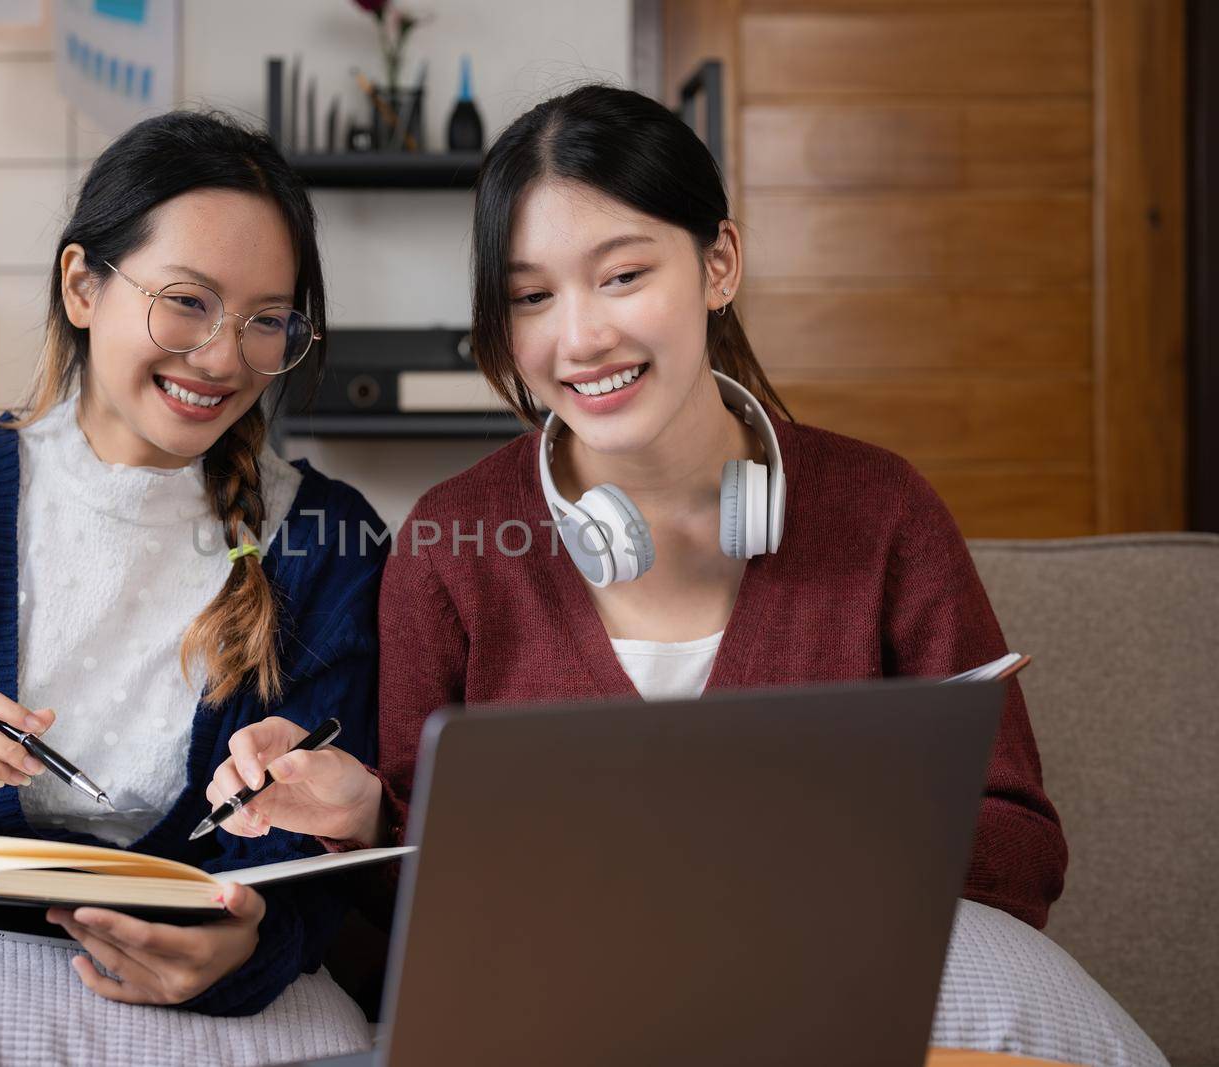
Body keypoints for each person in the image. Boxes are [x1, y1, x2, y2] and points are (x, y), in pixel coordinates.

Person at [203, 84, 1067, 931]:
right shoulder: (447, 547)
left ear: (718, 263)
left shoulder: (882, 511)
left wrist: (814, 837)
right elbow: (412, 911)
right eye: (532, 297)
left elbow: (1023, 854)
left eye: (622, 275)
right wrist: (366, 817)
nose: (580, 339)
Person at [0, 110, 387, 1015]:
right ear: (83, 285)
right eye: (186, 301)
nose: (222, 358)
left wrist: (245, 948)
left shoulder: (327, 539)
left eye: (266, 322)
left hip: (194, 1007)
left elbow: (315, 890)